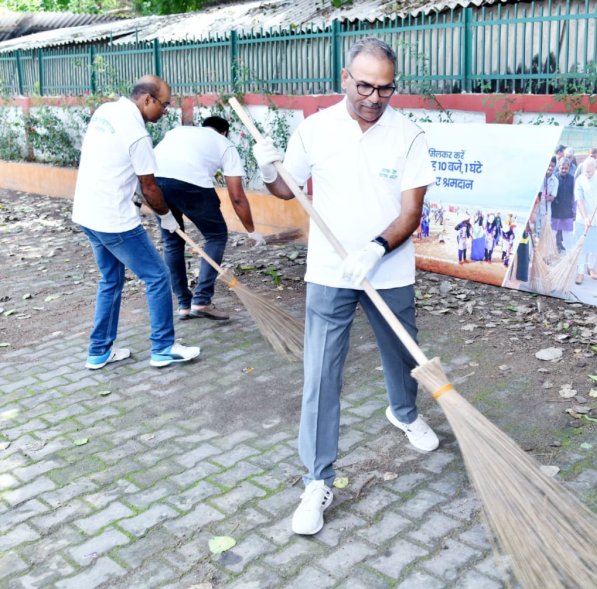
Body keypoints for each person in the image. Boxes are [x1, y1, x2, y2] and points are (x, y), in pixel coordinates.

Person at [251, 37, 439, 536]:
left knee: (402, 352)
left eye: (385, 88)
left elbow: (411, 213)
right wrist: (269, 167)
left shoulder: (408, 136)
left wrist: (375, 249)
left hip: (388, 268)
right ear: (344, 79)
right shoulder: (315, 130)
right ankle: (317, 480)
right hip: (330, 273)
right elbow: (286, 189)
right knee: (321, 373)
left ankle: (403, 413)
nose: (374, 98)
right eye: (365, 86)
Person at [72, 75, 200, 369]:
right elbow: (150, 187)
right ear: (147, 99)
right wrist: (166, 217)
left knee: (111, 279)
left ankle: (99, 351)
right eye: (164, 105)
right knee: (157, 276)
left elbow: (109, 161)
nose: (165, 112)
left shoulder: (106, 112)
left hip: (87, 213)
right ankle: (164, 347)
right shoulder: (138, 134)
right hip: (113, 219)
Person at [154, 116, 265, 321]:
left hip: (154, 183)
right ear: (225, 132)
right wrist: (251, 231)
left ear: (203, 127)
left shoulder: (179, 131)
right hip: (191, 184)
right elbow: (237, 197)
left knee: (172, 241)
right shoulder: (225, 144)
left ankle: (184, 305)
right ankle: (202, 300)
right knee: (216, 236)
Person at [572, 158, 597, 285]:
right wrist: (585, 217)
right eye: (586, 172)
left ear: (595, 169)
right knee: (582, 247)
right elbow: (579, 201)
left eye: (590, 172)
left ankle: (591, 267)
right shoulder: (580, 180)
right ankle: (580, 272)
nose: (587, 174)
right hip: (583, 219)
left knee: (595, 246)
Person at [551, 158, 576, 253]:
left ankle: (569, 256)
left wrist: (574, 210)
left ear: (569, 168)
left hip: (567, 212)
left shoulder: (572, 179)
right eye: (562, 168)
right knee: (552, 235)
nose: (564, 170)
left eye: (566, 168)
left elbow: (574, 196)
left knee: (568, 236)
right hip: (555, 212)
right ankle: (551, 254)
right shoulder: (554, 178)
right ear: (559, 167)